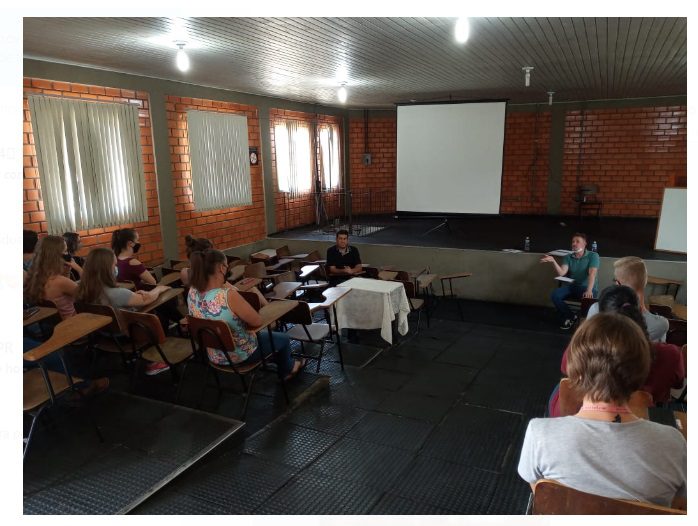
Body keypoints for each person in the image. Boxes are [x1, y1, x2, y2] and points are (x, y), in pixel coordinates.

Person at [519, 313, 686, 509]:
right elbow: (680, 505)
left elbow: (538, 490)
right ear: (641, 372)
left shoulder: (540, 433)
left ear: (575, 368)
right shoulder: (674, 443)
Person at [548, 285, 685, 417]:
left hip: (589, 409)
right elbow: (678, 384)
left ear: (601, 316)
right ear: (639, 311)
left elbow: (567, 369)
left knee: (565, 385)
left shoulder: (581, 347)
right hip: (647, 415)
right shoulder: (671, 354)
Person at [187, 248, 304, 380]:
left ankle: (280, 361)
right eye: (226, 265)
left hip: (213, 354)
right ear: (221, 268)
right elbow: (257, 322)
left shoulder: (192, 292)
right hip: (240, 356)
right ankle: (289, 369)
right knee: (283, 338)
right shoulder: (227, 296)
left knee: (267, 338)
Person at [77, 247, 172, 375]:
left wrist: (133, 296)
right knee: (158, 316)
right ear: (107, 269)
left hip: (101, 334)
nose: (116, 268)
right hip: (126, 336)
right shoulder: (117, 293)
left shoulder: (83, 290)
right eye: (114, 265)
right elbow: (148, 299)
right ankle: (153, 361)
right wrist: (159, 289)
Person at [586, 256, 669, 342]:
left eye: (615, 280)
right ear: (645, 281)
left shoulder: (596, 310)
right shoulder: (661, 325)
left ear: (618, 284)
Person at [541, 232, 599, 330]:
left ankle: (584, 324)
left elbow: (592, 274)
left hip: (588, 287)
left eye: (577, 241)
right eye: (573, 242)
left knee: (588, 299)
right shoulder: (568, 257)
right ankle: (572, 316)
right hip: (573, 286)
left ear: (584, 243)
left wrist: (589, 290)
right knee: (555, 295)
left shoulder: (593, 255)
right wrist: (553, 261)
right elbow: (562, 273)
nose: (574, 244)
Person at [24, 235, 78, 319]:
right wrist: (78, 267)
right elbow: (89, 296)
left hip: (55, 326)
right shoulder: (60, 281)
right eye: (65, 251)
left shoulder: (37, 278)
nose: (68, 255)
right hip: (76, 325)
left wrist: (67, 272)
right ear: (56, 256)